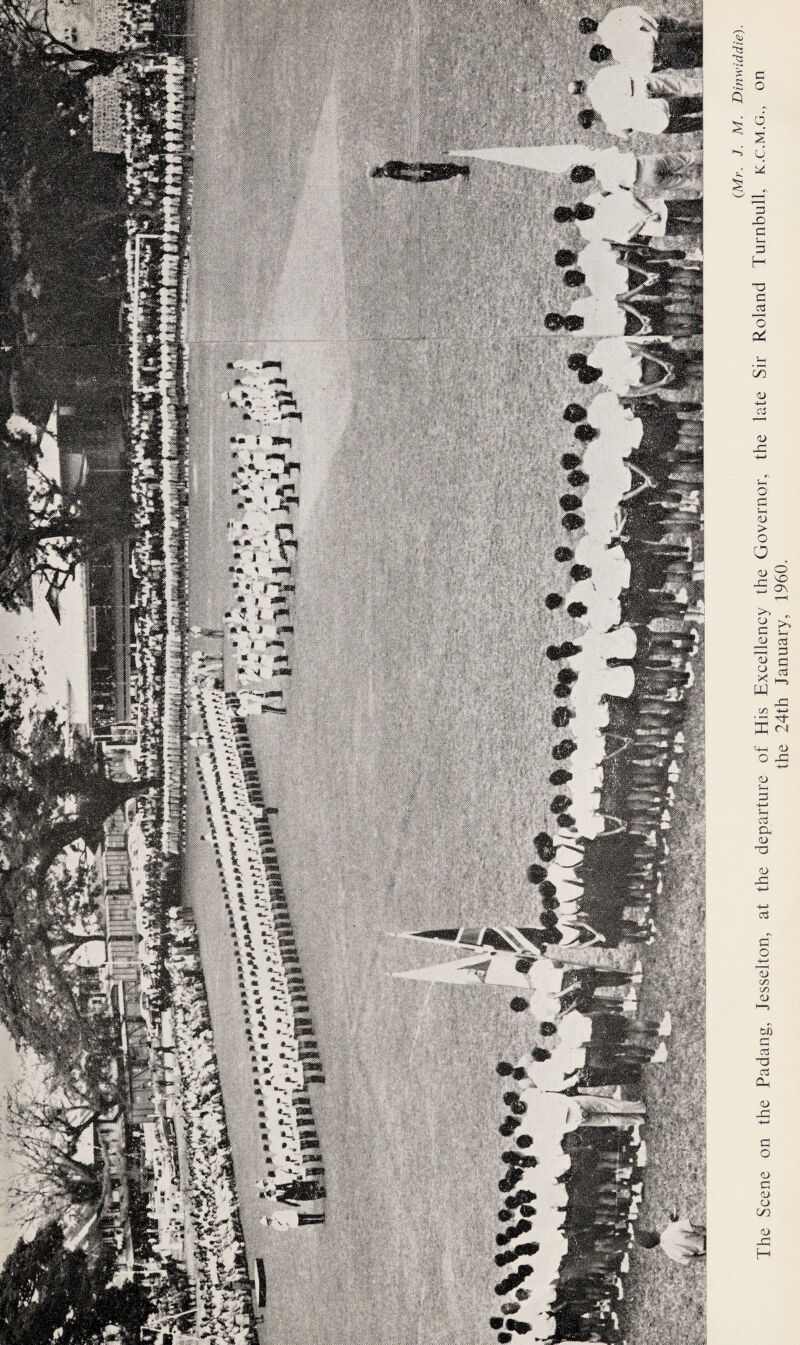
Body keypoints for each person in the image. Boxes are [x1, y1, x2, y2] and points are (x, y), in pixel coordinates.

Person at [635, 1214, 706, 1262]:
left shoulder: (670, 1254)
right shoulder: (673, 1227)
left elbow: (695, 1258)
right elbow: (700, 1230)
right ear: (650, 1232)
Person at [371, 160, 469, 183]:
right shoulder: (387, 164)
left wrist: (417, 176)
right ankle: (460, 168)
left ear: (377, 174)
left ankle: (459, 172)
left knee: (440, 175)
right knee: (437, 167)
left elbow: (404, 173)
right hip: (415, 166)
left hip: (416, 173)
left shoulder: (388, 172)